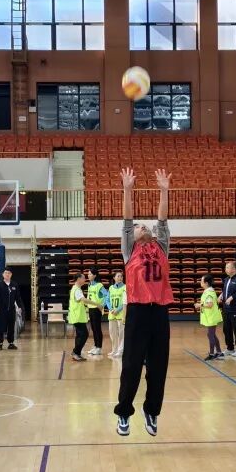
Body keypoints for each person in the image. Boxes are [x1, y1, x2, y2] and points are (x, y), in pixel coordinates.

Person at [114, 168, 175, 438]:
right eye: (139, 226)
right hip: (138, 311)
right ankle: (124, 412)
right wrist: (127, 190)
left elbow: (162, 220)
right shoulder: (130, 249)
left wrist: (163, 191)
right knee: (131, 366)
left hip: (159, 312)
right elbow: (127, 219)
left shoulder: (161, 247)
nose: (143, 226)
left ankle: (151, 411)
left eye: (145, 226)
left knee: (158, 368)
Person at [195, 274, 224, 360]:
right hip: (210, 316)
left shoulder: (209, 292)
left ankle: (212, 354)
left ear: (206, 283)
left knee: (210, 335)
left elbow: (210, 305)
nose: (200, 282)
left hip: (212, 317)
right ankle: (219, 352)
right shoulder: (208, 291)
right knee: (212, 334)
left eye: (201, 280)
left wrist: (199, 305)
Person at [0, 268, 21, 351]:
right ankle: (0, 344)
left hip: (11, 310)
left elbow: (18, 297)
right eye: (6, 273)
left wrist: (19, 307)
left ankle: (11, 343)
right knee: (0, 327)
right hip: (1, 310)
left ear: (11, 275)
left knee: (11, 327)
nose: (7, 274)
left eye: (9, 273)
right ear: (3, 274)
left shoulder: (14, 285)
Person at [68, 272, 95, 361]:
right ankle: (75, 352)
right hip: (77, 317)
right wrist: (96, 304)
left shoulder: (75, 288)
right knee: (84, 334)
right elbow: (83, 300)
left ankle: (77, 353)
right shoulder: (77, 290)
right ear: (79, 279)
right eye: (83, 278)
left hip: (77, 316)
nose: (85, 279)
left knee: (80, 335)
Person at [84, 268, 107, 356]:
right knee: (93, 328)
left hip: (96, 309)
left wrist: (102, 305)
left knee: (97, 328)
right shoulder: (89, 284)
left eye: (90, 274)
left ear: (95, 275)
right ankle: (95, 345)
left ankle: (99, 347)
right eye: (88, 274)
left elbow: (107, 295)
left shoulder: (99, 285)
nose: (88, 275)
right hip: (90, 308)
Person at [107, 272, 126, 358]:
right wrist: (111, 309)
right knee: (112, 333)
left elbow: (125, 301)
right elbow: (107, 300)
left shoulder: (125, 287)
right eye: (118, 276)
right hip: (112, 314)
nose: (120, 278)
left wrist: (117, 310)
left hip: (121, 314)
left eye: (121, 276)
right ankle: (114, 350)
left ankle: (120, 351)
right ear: (114, 278)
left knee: (121, 334)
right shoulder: (111, 288)